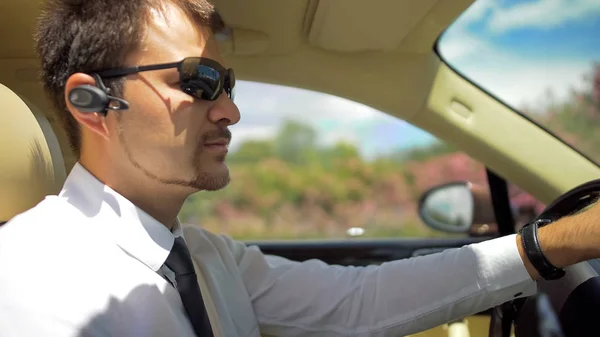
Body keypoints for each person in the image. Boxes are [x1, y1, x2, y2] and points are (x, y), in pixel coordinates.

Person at [0, 0, 599, 336]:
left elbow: (359, 302)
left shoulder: (206, 257)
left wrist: (554, 244)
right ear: (93, 102)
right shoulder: (29, 283)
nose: (230, 110)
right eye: (201, 81)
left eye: (226, 83)